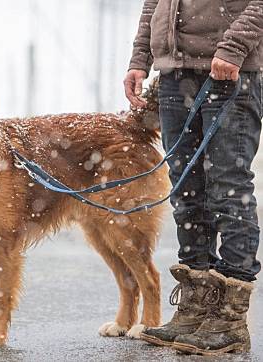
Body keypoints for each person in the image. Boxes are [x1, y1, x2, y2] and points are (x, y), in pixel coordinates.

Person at [125, 0, 262, 356]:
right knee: (187, 192)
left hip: (229, 71)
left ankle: (229, 320)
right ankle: (195, 308)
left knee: (228, 190)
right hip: (173, 75)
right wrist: (140, 59)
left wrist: (233, 49)